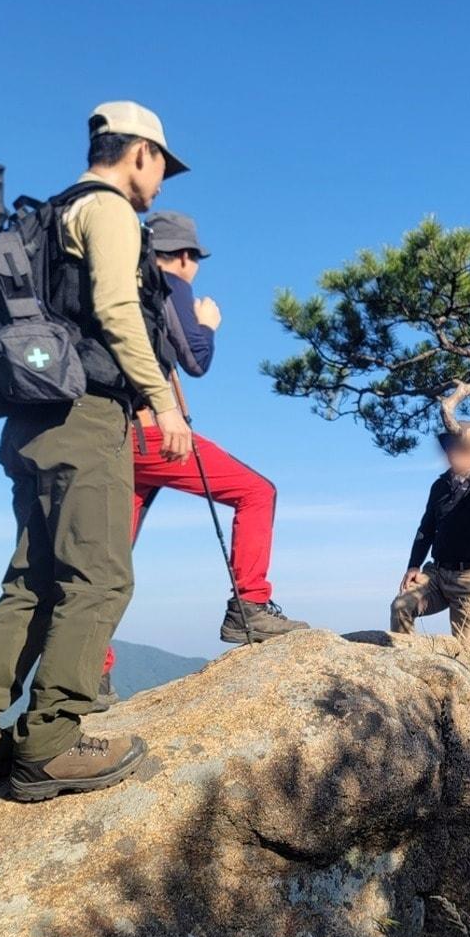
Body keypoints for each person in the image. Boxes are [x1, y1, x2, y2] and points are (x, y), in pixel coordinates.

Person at [0, 102, 192, 802]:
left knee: (35, 580)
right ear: (140, 153)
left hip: (31, 418)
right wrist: (161, 403)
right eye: (163, 164)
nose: (162, 181)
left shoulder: (48, 217)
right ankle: (48, 744)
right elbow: (115, 309)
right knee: (100, 578)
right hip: (83, 415)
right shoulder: (106, 211)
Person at [95, 212, 306, 710]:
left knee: (106, 557)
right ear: (185, 256)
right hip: (154, 437)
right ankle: (250, 605)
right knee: (257, 492)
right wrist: (207, 324)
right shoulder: (168, 284)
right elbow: (196, 357)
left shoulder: (116, 286)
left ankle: (90, 672)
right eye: (193, 260)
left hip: (111, 440)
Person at [390, 421, 470, 655]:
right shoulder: (440, 485)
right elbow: (427, 527)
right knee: (401, 606)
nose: (454, 452)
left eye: (462, 447)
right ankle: (406, 666)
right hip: (437, 573)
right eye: (451, 447)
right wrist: (414, 564)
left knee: (466, 653)